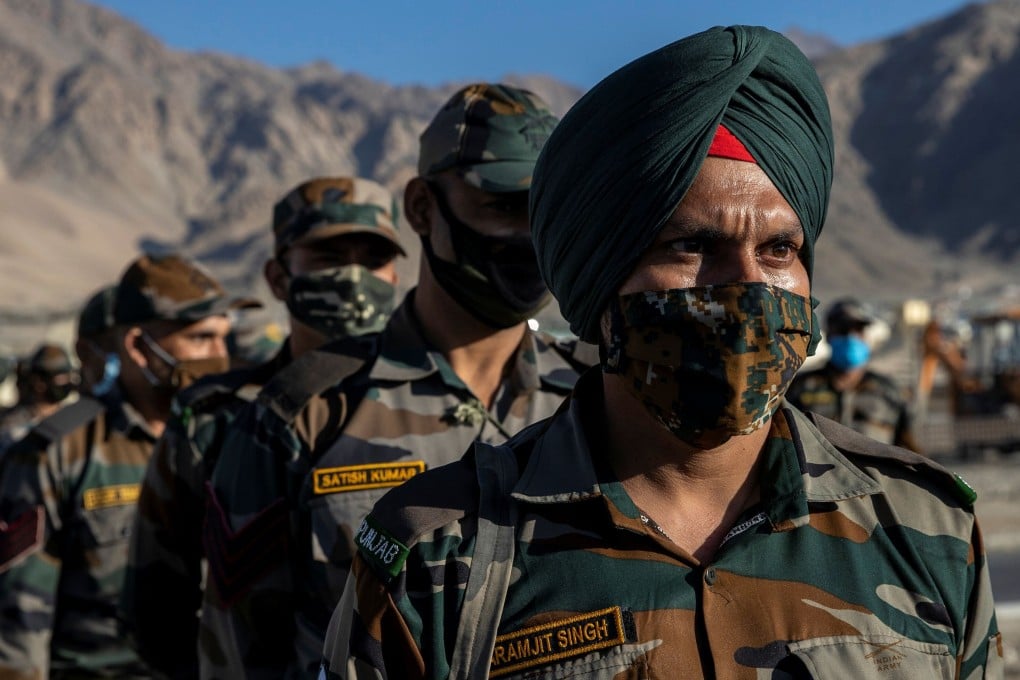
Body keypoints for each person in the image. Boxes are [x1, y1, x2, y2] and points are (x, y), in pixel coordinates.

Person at [321, 26, 1002, 679]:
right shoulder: (437, 557)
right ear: (600, 278)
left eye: (778, 250)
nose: (744, 285)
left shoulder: (926, 527)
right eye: (691, 247)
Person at [198, 83, 595, 678]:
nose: (526, 236)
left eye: (544, 210)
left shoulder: (598, 397)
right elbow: (237, 653)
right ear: (420, 209)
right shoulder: (306, 411)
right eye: (501, 206)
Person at [120, 176, 406, 679]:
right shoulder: (215, 419)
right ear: (278, 278)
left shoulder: (440, 403)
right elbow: (157, 605)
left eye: (372, 259)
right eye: (328, 257)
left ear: (397, 275)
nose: (353, 277)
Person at [0, 252, 257, 678]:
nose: (219, 356)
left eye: (223, 338)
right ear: (139, 347)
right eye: (200, 338)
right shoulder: (60, 451)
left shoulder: (239, 439)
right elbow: (17, 623)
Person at [786, 297, 923, 452]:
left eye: (858, 330)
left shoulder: (889, 393)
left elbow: (910, 450)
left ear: (866, 336)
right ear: (829, 335)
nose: (851, 338)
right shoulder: (799, 388)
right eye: (843, 330)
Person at [0, 343, 77, 453]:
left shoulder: (72, 418)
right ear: (39, 382)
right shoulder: (13, 427)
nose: (66, 382)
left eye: (67, 376)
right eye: (60, 377)